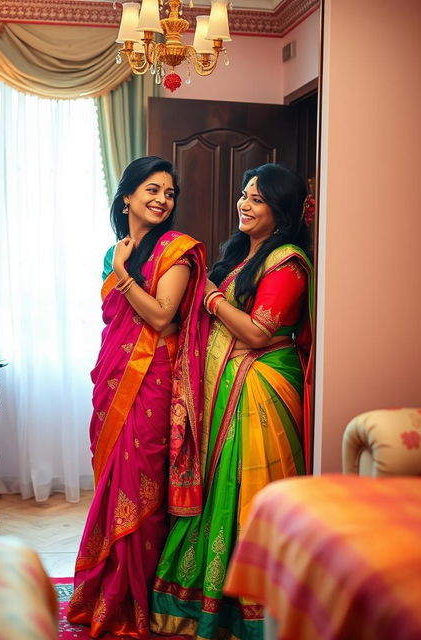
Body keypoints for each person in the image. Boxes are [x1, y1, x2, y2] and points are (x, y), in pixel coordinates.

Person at [150, 163, 314, 640]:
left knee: (242, 490)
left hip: (259, 393)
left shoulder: (287, 262)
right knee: (219, 484)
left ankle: (247, 610)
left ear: (280, 210)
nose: (244, 204)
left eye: (258, 198)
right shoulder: (246, 254)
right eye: (244, 194)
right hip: (228, 388)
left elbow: (260, 333)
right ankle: (204, 600)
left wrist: (211, 299)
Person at [67, 156, 209, 638]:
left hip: (153, 376)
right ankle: (105, 590)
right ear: (126, 196)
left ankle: (137, 601)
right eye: (152, 189)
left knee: (142, 478)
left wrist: (126, 275)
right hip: (115, 373)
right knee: (113, 476)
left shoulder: (177, 251)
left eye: (169, 193)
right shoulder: (116, 252)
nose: (161, 199)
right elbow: (116, 319)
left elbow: (162, 318)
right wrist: (122, 267)